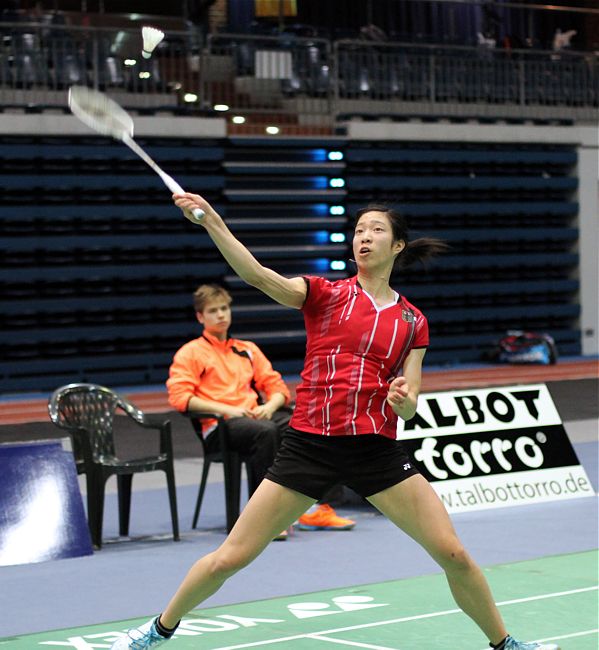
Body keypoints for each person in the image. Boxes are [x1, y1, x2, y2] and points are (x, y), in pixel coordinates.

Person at [110, 196, 560, 650]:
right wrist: (214, 223)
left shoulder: (413, 322)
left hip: (376, 451)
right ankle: (156, 631)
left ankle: (505, 644)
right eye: (359, 230)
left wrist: (402, 399)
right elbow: (256, 275)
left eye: (376, 230)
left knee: (454, 553)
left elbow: (411, 405)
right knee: (232, 557)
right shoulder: (326, 294)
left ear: (398, 245)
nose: (364, 236)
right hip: (309, 445)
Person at [167, 283, 355, 536]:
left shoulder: (247, 349)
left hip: (256, 417)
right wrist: (227, 410)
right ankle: (265, 519)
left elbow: (276, 386)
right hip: (219, 427)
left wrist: (270, 405)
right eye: (213, 311)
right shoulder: (190, 353)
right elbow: (181, 398)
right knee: (265, 432)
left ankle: (319, 507)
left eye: (224, 308)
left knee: (309, 423)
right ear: (200, 316)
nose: (221, 315)